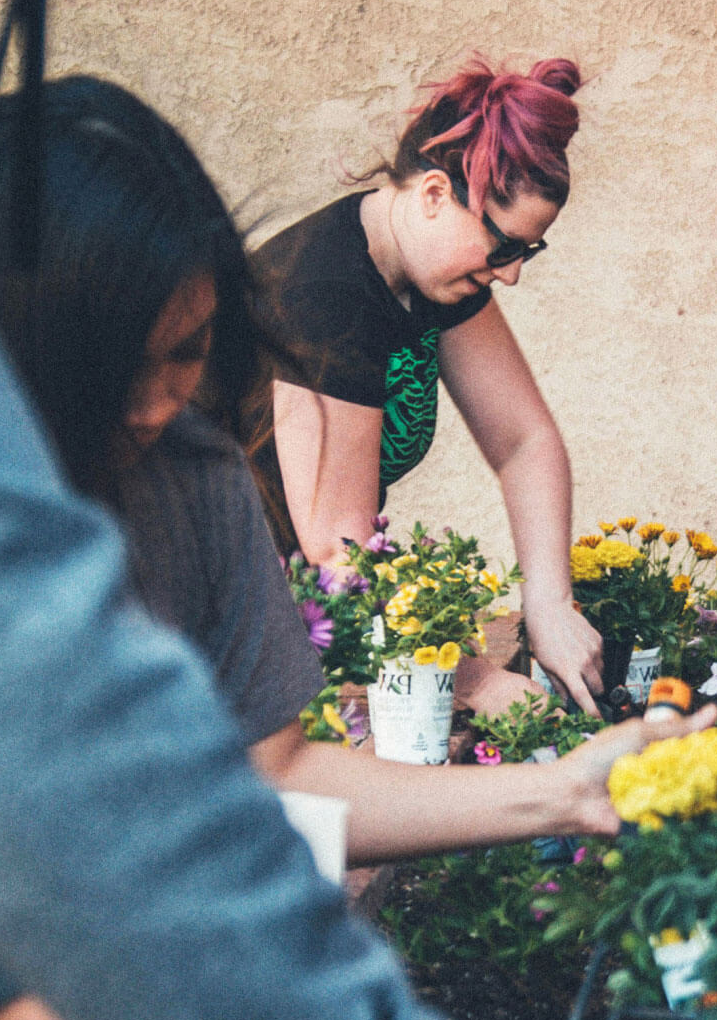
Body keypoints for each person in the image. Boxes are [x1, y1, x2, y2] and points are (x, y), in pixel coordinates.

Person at [0, 68, 717, 1020]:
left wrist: (565, 788)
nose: (161, 407)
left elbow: (275, 773)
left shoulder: (192, 475)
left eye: (189, 356)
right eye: (120, 369)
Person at [248, 55, 607, 716]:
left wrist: (550, 603)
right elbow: (339, 560)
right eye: (503, 247)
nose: (510, 276)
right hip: (219, 627)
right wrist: (476, 682)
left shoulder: (430, 273)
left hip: (304, 622)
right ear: (436, 195)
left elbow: (524, 441)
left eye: (526, 252)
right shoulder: (324, 297)